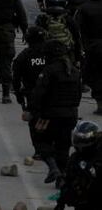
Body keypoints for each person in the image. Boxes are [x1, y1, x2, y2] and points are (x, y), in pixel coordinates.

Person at [31, 39, 83, 186]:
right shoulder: (74, 71)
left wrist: (35, 112)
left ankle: (53, 168)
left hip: (50, 115)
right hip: (70, 114)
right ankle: (62, 177)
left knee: (40, 140)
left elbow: (39, 93)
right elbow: (78, 96)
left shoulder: (49, 70)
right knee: (63, 146)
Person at [13, 26, 50, 159]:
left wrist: (18, 96)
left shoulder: (24, 56)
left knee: (34, 121)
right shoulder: (52, 54)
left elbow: (16, 78)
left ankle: (39, 149)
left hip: (33, 95)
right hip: (52, 94)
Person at [56, 121, 102, 209]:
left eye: (81, 140)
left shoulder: (99, 155)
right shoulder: (75, 158)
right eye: (77, 139)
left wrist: (89, 169)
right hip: (83, 202)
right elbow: (67, 179)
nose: (79, 144)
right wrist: (61, 201)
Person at [75, 0, 102, 115]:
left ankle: (100, 103)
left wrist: (81, 48)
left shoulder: (83, 8)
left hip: (92, 48)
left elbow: (77, 29)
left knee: (93, 75)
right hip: (93, 46)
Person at [37, 0, 82, 65]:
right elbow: (77, 40)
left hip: (47, 57)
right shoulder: (69, 20)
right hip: (68, 56)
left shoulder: (41, 19)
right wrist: (78, 59)